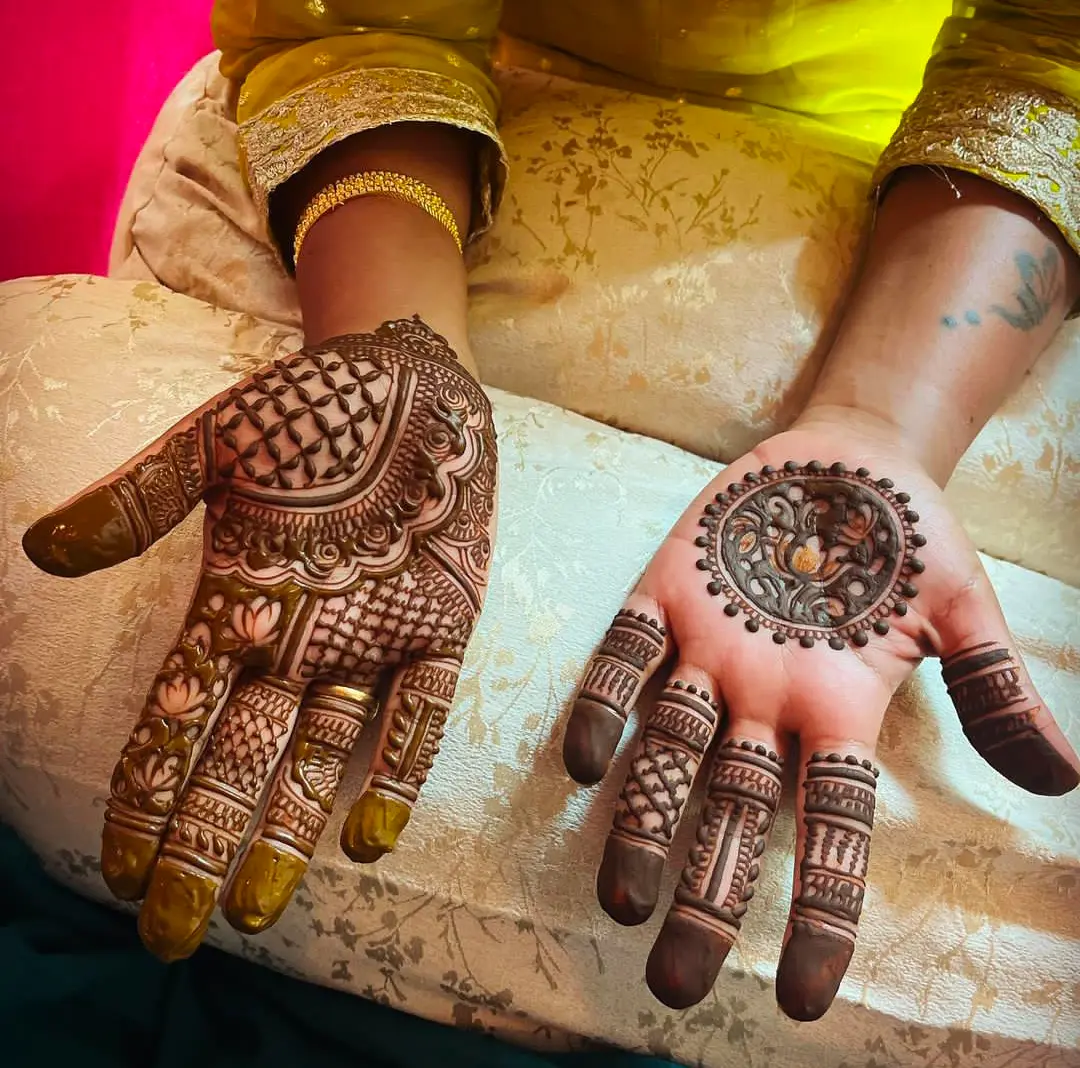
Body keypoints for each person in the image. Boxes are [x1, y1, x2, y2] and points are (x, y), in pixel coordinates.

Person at [20, 0, 1080, 1026]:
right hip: (404, 154)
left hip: (946, 223)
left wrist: (884, 424)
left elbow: (1050, 59)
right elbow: (360, 22)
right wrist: (397, 356)